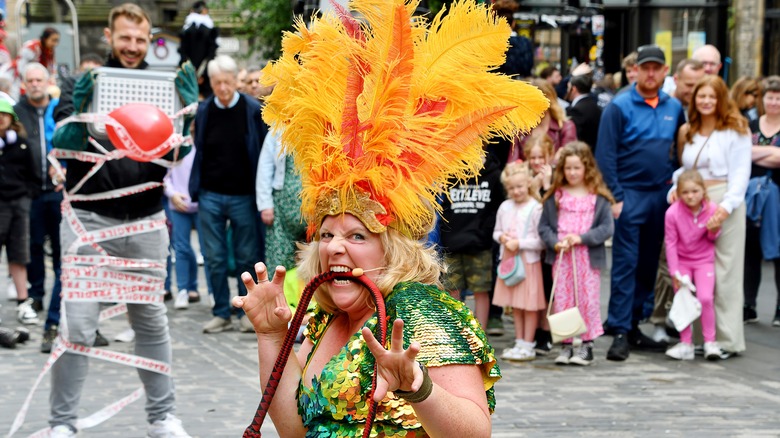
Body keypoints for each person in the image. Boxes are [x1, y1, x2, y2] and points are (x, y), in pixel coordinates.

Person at [232, 0, 548, 435]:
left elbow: (476, 432)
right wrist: (270, 337)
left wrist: (418, 389)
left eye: (357, 235)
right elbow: (296, 431)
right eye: (326, 234)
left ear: (392, 246)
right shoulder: (327, 316)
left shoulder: (418, 311)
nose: (334, 247)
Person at [47, 4, 197, 437]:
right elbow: (61, 144)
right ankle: (62, 425)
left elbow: (176, 154)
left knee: (151, 321)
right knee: (77, 324)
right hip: (89, 222)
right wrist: (79, 111)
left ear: (149, 40)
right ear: (110, 37)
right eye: (125, 38)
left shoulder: (167, 87)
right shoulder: (81, 82)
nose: (132, 46)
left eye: (140, 39)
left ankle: (162, 418)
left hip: (146, 221)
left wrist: (189, 113)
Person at [596, 44, 685, 361]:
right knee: (625, 264)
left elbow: (679, 152)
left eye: (656, 68)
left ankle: (634, 324)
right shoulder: (619, 106)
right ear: (637, 70)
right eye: (645, 67)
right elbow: (605, 156)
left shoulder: (674, 107)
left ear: (664, 72)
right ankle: (619, 330)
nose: (650, 73)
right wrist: (616, 197)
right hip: (629, 194)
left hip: (660, 196)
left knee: (648, 264)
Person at [672, 74, 751, 358]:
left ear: (721, 100)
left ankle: (727, 339)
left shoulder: (736, 130)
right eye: (701, 96)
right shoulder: (689, 130)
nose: (706, 101)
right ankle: (697, 336)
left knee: (726, 271)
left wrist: (726, 207)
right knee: (692, 268)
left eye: (711, 96)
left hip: (724, 200)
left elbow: (741, 173)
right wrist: (675, 185)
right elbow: (686, 168)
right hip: (692, 203)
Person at [188, 54, 265, 334]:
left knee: (247, 254)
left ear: (235, 80)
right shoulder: (205, 110)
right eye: (217, 82)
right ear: (211, 83)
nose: (222, 88)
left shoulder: (252, 109)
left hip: (243, 194)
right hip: (210, 193)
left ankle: (245, 310)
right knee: (215, 256)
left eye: (227, 82)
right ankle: (221, 311)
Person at [539, 142, 614, 366]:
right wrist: (555, 243)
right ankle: (566, 343)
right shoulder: (556, 196)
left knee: (588, 298)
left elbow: (606, 228)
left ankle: (587, 344)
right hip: (562, 257)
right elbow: (544, 227)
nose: (572, 173)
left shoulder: (597, 197)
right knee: (563, 299)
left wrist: (582, 238)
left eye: (577, 168)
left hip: (586, 257)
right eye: (568, 168)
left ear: (586, 168)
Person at [439, 148, 504, 329]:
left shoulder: (493, 175)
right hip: (453, 242)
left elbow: (498, 208)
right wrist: (448, 233)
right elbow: (444, 207)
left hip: (480, 244)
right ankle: (458, 332)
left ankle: (480, 333)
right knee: (452, 289)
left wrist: (485, 233)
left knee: (481, 289)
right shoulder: (451, 175)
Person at [664, 170, 722, 360]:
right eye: (685, 192)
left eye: (695, 191)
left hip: (703, 260)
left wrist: (714, 230)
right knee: (683, 300)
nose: (690, 196)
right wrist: (674, 272)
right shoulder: (672, 213)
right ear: (679, 193)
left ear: (703, 191)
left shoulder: (712, 209)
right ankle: (686, 342)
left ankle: (710, 342)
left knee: (706, 298)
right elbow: (670, 243)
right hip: (682, 261)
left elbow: (713, 237)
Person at [493, 162, 545, 361]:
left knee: (528, 304)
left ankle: (528, 343)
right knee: (515, 304)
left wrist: (519, 243)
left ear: (528, 184)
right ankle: (519, 341)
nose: (516, 191)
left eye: (520, 186)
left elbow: (540, 241)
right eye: (512, 188)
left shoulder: (535, 207)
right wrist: (504, 239)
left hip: (528, 262)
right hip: (509, 261)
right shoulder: (505, 207)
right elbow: (496, 232)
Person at [744, 76, 780, 326]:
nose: (774, 102)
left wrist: (756, 153)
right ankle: (749, 305)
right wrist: (773, 153)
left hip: (778, 196)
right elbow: (742, 153)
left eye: (779, 98)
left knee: (777, 250)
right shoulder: (751, 124)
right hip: (751, 195)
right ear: (762, 99)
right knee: (750, 250)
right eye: (770, 97)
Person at [0, 100, 40, 325]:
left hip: (19, 205)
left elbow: (33, 175)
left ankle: (23, 303)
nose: (1, 119)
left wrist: (26, 197)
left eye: (4, 114)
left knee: (19, 255)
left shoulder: (22, 145)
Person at [165, 141, 207, 309]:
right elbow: (164, 175)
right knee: (181, 248)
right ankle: (183, 289)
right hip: (178, 204)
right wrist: (172, 194)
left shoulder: (202, 144)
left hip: (201, 203)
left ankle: (208, 292)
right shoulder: (174, 148)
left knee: (207, 251)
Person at [509, 79, 577, 162]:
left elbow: (568, 163)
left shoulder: (566, 127)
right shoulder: (520, 129)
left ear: (549, 101)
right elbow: (512, 164)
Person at [178, 0, 219, 98]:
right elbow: (211, 55)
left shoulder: (186, 30)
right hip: (205, 78)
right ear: (205, 11)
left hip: (187, 73)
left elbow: (182, 53)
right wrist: (202, 74)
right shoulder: (210, 30)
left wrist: (190, 73)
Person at [566, 73, 602, 151]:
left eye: (568, 88)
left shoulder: (576, 110)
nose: (567, 91)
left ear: (574, 89)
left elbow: (575, 136)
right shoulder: (595, 105)